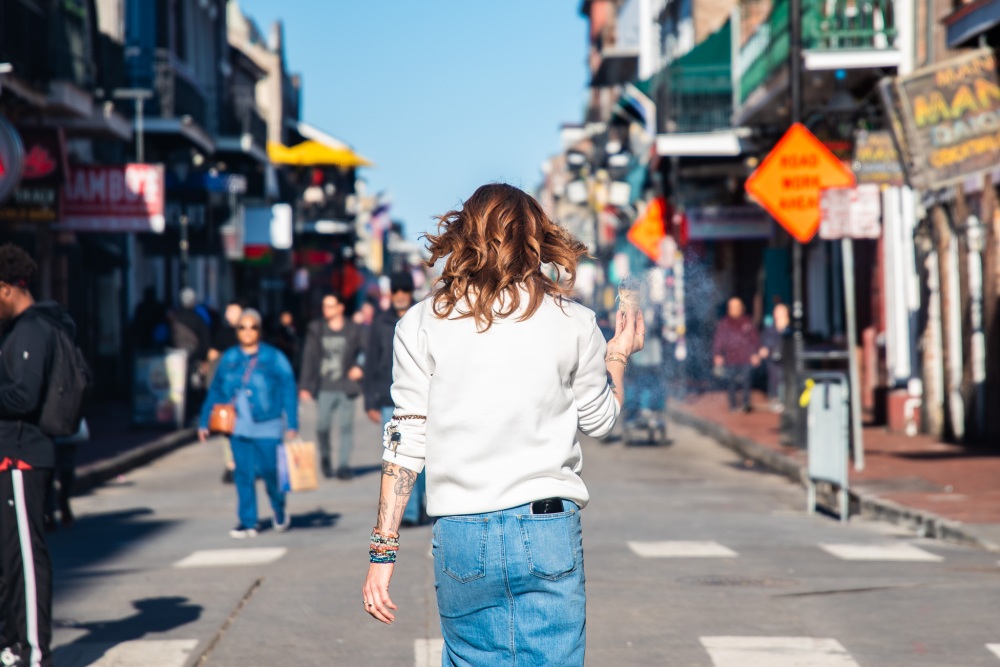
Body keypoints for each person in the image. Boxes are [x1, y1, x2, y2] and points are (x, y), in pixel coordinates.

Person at [361, 184, 643, 667]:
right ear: (536, 238)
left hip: (462, 534)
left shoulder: (420, 323)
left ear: (464, 236)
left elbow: (404, 445)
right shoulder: (574, 321)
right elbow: (599, 420)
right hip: (547, 526)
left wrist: (382, 555)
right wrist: (617, 353)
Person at [0, 243, 78, 666]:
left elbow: (24, 396)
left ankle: (32, 650)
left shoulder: (31, 330)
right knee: (8, 559)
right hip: (10, 455)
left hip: (21, 456)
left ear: (6, 288)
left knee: (27, 559)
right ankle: (12, 644)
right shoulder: (19, 330)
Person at [198, 309, 298, 538]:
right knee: (243, 473)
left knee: (270, 471)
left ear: (259, 330)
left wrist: (292, 423)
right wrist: (205, 421)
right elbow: (215, 390)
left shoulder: (273, 357)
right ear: (236, 331)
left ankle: (279, 507)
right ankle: (248, 520)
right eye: (242, 327)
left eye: (252, 326)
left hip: (268, 423)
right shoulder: (229, 358)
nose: (247, 331)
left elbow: (288, 387)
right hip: (238, 425)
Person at [362, 271, 426, 525]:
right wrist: (370, 400)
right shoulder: (380, 323)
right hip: (389, 399)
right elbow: (371, 362)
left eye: (404, 290)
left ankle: (422, 506)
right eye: (396, 291)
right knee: (397, 457)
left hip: (421, 398)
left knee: (423, 457)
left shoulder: (423, 318)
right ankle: (408, 513)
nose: (400, 296)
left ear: (410, 292)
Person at [298, 293, 365, 480]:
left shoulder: (354, 329)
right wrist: (304, 385)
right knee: (322, 426)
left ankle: (343, 465)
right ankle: (326, 457)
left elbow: (366, 351)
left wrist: (359, 367)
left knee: (346, 426)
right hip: (324, 386)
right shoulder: (317, 328)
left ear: (340, 308)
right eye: (324, 306)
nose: (325, 309)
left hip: (346, 386)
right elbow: (309, 357)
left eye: (330, 306)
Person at [207, 301, 242, 485]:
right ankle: (230, 465)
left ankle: (242, 463)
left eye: (233, 311)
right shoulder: (223, 333)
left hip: (246, 392)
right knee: (226, 428)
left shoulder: (249, 332)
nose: (229, 315)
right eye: (228, 311)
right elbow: (212, 357)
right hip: (226, 390)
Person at [712, 296, 760, 413]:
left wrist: (755, 354)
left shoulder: (747, 322)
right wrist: (718, 354)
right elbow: (719, 340)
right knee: (731, 383)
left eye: (736, 307)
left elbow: (754, 339)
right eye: (731, 307)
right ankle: (733, 405)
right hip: (730, 358)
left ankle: (746, 404)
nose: (734, 309)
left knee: (746, 381)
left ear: (741, 308)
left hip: (745, 357)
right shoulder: (724, 323)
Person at [759, 302, 790, 413]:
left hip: (788, 359)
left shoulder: (790, 328)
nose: (778, 314)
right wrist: (764, 349)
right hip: (773, 359)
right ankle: (776, 400)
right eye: (776, 311)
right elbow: (764, 341)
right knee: (774, 379)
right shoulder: (769, 329)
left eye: (781, 311)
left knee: (786, 379)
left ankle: (787, 401)